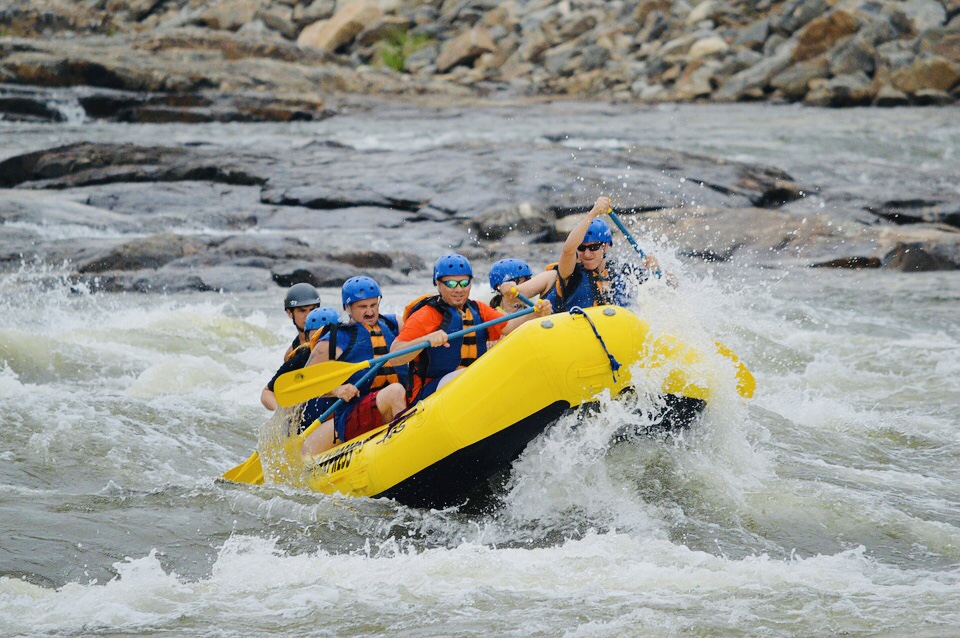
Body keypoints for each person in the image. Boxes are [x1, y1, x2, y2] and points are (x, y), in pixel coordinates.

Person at [390, 253, 552, 403]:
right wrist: (425, 339)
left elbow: (510, 326)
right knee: (472, 375)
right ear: (438, 285)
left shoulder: (478, 310)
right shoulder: (426, 315)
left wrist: (535, 314)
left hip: (471, 389)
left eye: (464, 283)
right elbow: (395, 356)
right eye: (451, 284)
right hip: (429, 396)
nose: (459, 289)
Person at [303, 276, 407, 451]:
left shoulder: (394, 324)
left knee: (400, 392)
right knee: (395, 392)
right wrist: (337, 390)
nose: (370, 312)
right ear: (347, 308)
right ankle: (406, 448)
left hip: (395, 402)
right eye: (362, 307)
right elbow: (306, 382)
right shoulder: (337, 339)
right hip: (355, 414)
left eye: (373, 305)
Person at [513, 195, 661, 312]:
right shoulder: (570, 274)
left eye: (594, 247)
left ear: (606, 246)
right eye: (582, 248)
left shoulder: (623, 271)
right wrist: (594, 212)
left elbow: (670, 287)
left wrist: (656, 270)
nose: (587, 254)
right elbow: (568, 250)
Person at [261, 306, 340, 434]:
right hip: (309, 424)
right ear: (308, 339)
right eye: (317, 339)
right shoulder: (302, 357)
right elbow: (267, 392)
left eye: (328, 337)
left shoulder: (353, 350)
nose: (324, 344)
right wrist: (283, 411)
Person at [281, 282, 322, 360]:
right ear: (289, 313)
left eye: (312, 309)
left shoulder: (333, 338)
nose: (308, 315)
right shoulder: (290, 355)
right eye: (302, 311)